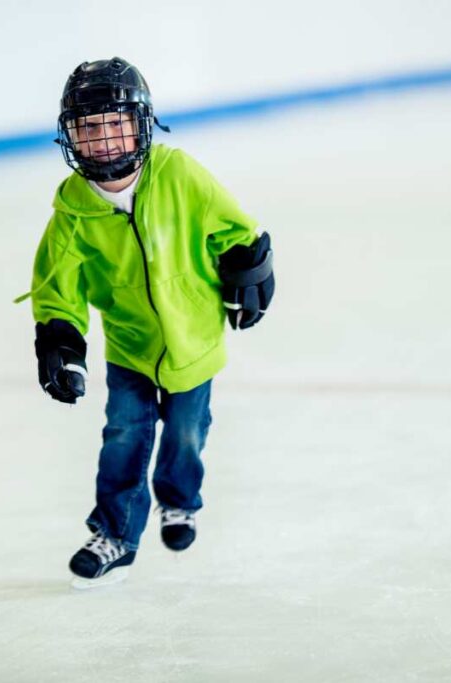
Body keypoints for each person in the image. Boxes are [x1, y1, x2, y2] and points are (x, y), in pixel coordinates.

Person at [21, 57, 275, 588]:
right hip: (131, 346)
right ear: (71, 136)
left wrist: (249, 266)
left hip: (194, 342)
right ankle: (115, 534)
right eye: (90, 128)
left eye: (115, 125)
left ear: (141, 125)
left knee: (185, 434)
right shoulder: (72, 210)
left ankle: (179, 501)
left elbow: (232, 227)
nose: (105, 141)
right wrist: (62, 344)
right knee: (123, 435)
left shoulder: (179, 175)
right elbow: (57, 287)